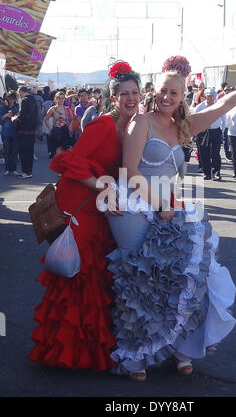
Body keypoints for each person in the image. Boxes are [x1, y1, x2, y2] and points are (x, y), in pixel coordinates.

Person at [106, 56, 236, 382]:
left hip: (165, 205)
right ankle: (137, 355)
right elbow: (129, 173)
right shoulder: (140, 122)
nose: (167, 97)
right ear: (152, 92)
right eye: (162, 91)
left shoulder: (183, 126)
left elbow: (226, 103)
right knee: (141, 280)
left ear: (183, 96)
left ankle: (179, 348)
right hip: (132, 205)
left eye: (174, 93)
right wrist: (161, 203)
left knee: (185, 276)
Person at [29, 61, 141, 372]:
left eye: (135, 93)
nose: (130, 98)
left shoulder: (131, 126)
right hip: (79, 204)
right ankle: (67, 352)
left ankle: (88, 347)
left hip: (100, 207)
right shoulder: (104, 125)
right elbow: (70, 162)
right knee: (77, 274)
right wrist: (101, 186)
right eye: (124, 94)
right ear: (113, 96)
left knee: (93, 274)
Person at [195, 88, 226, 181]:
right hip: (204, 132)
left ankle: (216, 172)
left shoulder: (218, 106)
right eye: (208, 96)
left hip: (216, 131)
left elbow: (224, 119)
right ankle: (207, 173)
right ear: (205, 97)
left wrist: (223, 131)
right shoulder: (200, 107)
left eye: (211, 96)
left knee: (216, 153)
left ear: (215, 97)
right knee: (205, 153)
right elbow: (195, 120)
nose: (210, 98)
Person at [12, 87, 38, 179]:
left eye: (19, 94)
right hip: (32, 129)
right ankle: (28, 171)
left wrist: (14, 118)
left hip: (24, 129)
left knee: (23, 151)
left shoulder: (24, 100)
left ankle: (25, 172)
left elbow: (22, 115)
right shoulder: (34, 99)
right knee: (29, 151)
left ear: (21, 92)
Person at [45, 91, 73, 158]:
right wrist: (49, 128)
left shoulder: (67, 109)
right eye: (59, 98)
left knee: (64, 151)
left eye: (62, 98)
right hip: (56, 131)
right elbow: (46, 119)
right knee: (57, 152)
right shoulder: (52, 109)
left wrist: (70, 128)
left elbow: (72, 119)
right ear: (55, 99)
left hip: (65, 131)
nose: (61, 100)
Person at [0, 91, 19, 176]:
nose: (12, 101)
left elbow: (19, 116)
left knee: (14, 151)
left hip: (15, 131)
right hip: (6, 131)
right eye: (10, 99)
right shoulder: (3, 106)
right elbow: (1, 118)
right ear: (7, 98)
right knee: (7, 151)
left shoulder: (17, 106)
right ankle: (7, 168)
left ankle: (14, 168)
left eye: (13, 99)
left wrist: (16, 117)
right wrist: (6, 115)